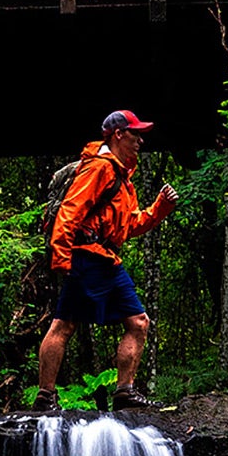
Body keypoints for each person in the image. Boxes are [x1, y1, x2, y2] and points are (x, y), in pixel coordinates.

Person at [35, 110, 178, 411]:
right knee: (64, 325)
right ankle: (46, 396)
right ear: (118, 134)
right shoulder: (99, 168)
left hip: (106, 260)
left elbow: (129, 226)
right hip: (87, 257)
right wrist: (62, 259)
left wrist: (159, 209)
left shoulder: (123, 176)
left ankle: (124, 392)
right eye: (136, 133)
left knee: (138, 323)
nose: (140, 140)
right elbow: (70, 212)